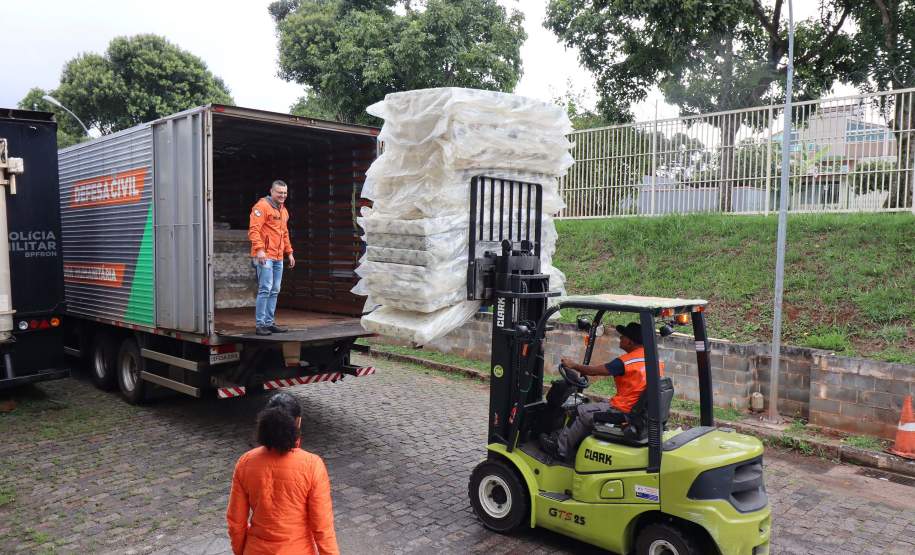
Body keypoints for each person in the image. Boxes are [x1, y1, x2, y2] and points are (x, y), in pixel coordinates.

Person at [227, 392, 338, 555]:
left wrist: (242, 551)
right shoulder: (312, 465)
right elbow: (323, 528)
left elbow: (236, 522)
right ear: (298, 422)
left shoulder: (245, 462)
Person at [541, 322, 664, 461]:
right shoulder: (654, 359)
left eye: (623, 336)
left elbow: (594, 371)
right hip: (636, 409)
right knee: (590, 405)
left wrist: (573, 365)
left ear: (630, 341)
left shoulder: (625, 362)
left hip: (624, 411)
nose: (620, 338)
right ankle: (576, 443)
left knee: (580, 412)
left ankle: (560, 450)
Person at [248, 180, 295, 336]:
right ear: (271, 191)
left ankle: (269, 322)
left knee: (275, 290)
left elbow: (284, 233)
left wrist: (289, 252)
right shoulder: (261, 207)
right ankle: (260, 325)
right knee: (265, 289)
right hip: (264, 256)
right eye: (279, 192)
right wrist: (260, 250)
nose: (283, 195)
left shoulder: (283, 210)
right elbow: (254, 230)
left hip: (278, 256)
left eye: (285, 193)